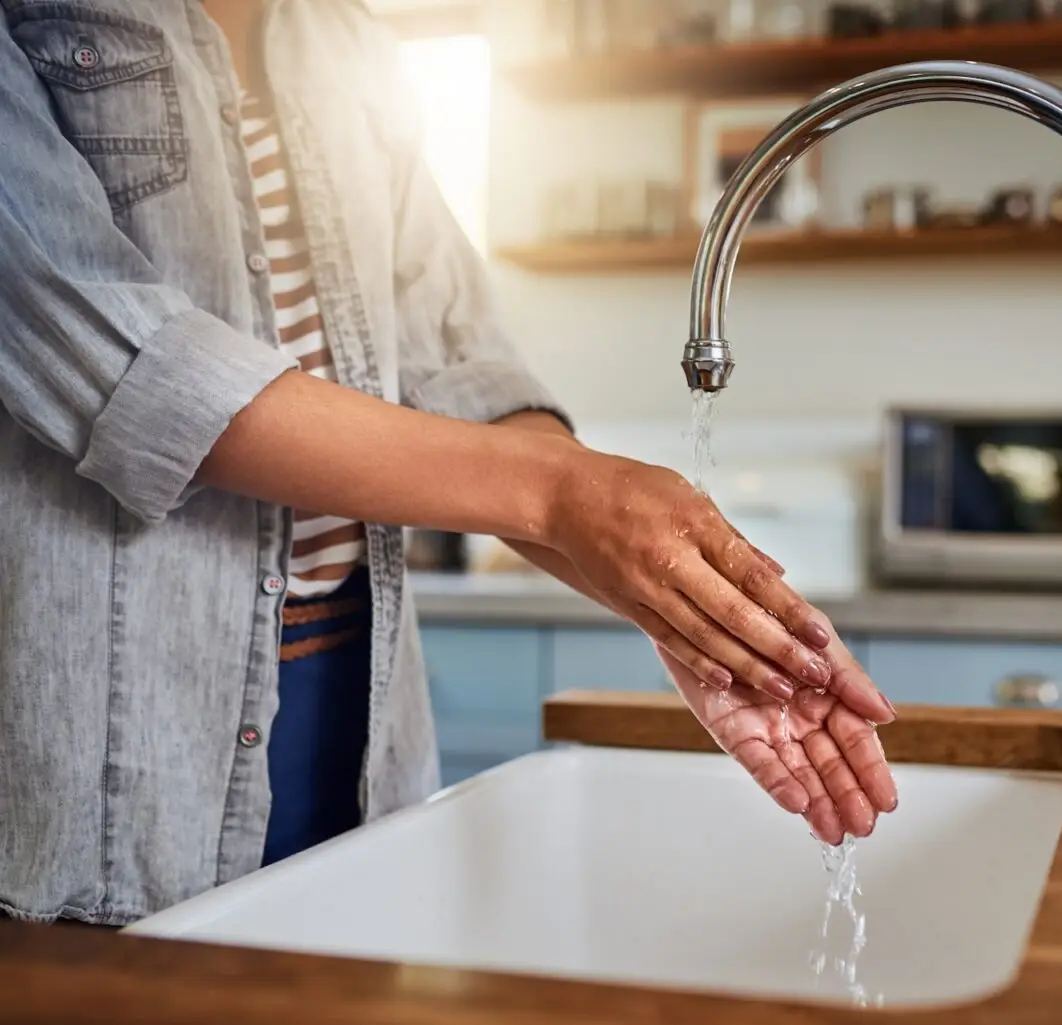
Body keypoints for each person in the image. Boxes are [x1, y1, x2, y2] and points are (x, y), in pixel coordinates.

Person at [0, 0, 896, 927]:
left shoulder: (349, 47)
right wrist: (569, 496)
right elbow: (136, 373)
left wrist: (674, 600)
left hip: (360, 719)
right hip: (108, 763)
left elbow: (462, 367)